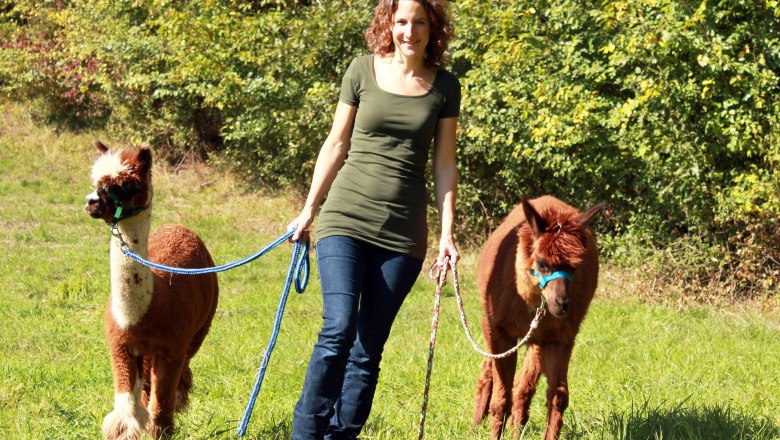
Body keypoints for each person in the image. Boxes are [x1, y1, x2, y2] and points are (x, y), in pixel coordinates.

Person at [286, 0, 460, 438]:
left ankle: (342, 436)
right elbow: (335, 144)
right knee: (339, 327)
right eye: (402, 21)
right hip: (345, 217)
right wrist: (310, 208)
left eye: (419, 22)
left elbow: (444, 165)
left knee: (368, 349)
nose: (410, 31)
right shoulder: (362, 70)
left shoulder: (445, 88)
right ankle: (306, 434)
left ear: (431, 28)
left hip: (403, 234)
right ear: (389, 23)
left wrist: (447, 234)